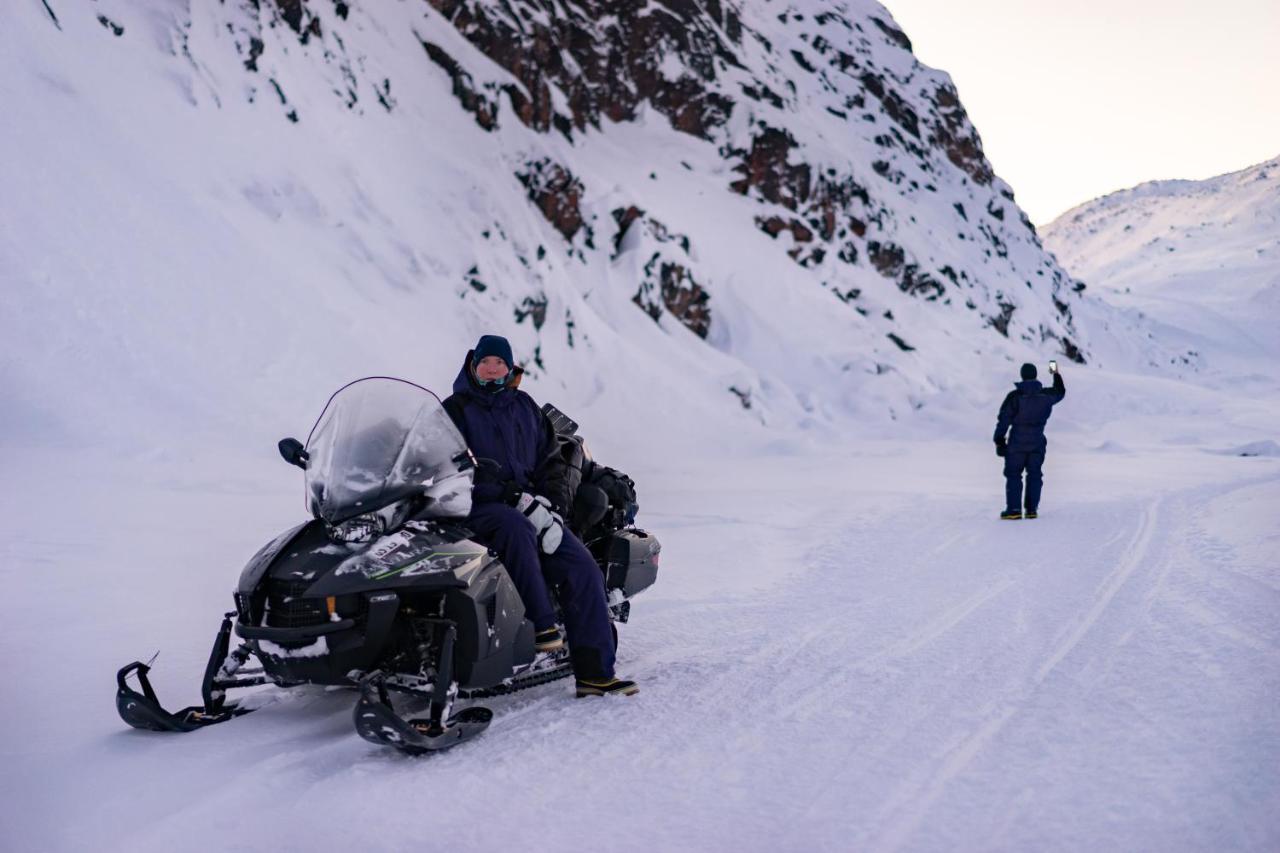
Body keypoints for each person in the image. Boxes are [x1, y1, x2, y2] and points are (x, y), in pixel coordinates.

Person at [443, 334, 638, 697]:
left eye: (498, 363)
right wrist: (511, 497)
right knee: (515, 528)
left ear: (508, 368)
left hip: (534, 507)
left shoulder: (525, 407)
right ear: (473, 366)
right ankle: (542, 625)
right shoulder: (454, 410)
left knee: (581, 567)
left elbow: (553, 462)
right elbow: (450, 470)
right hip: (478, 507)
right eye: (485, 362)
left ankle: (596, 673)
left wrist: (549, 507)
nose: (491, 369)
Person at [993, 362, 1066, 520]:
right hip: (1037, 442)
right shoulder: (1046, 396)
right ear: (1035, 375)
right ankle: (1032, 510)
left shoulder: (1014, 397)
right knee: (1034, 474)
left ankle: (1014, 510)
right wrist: (1055, 371)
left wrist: (999, 440)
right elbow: (1060, 392)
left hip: (1016, 444)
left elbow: (1003, 420)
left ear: (1022, 375)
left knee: (1014, 475)